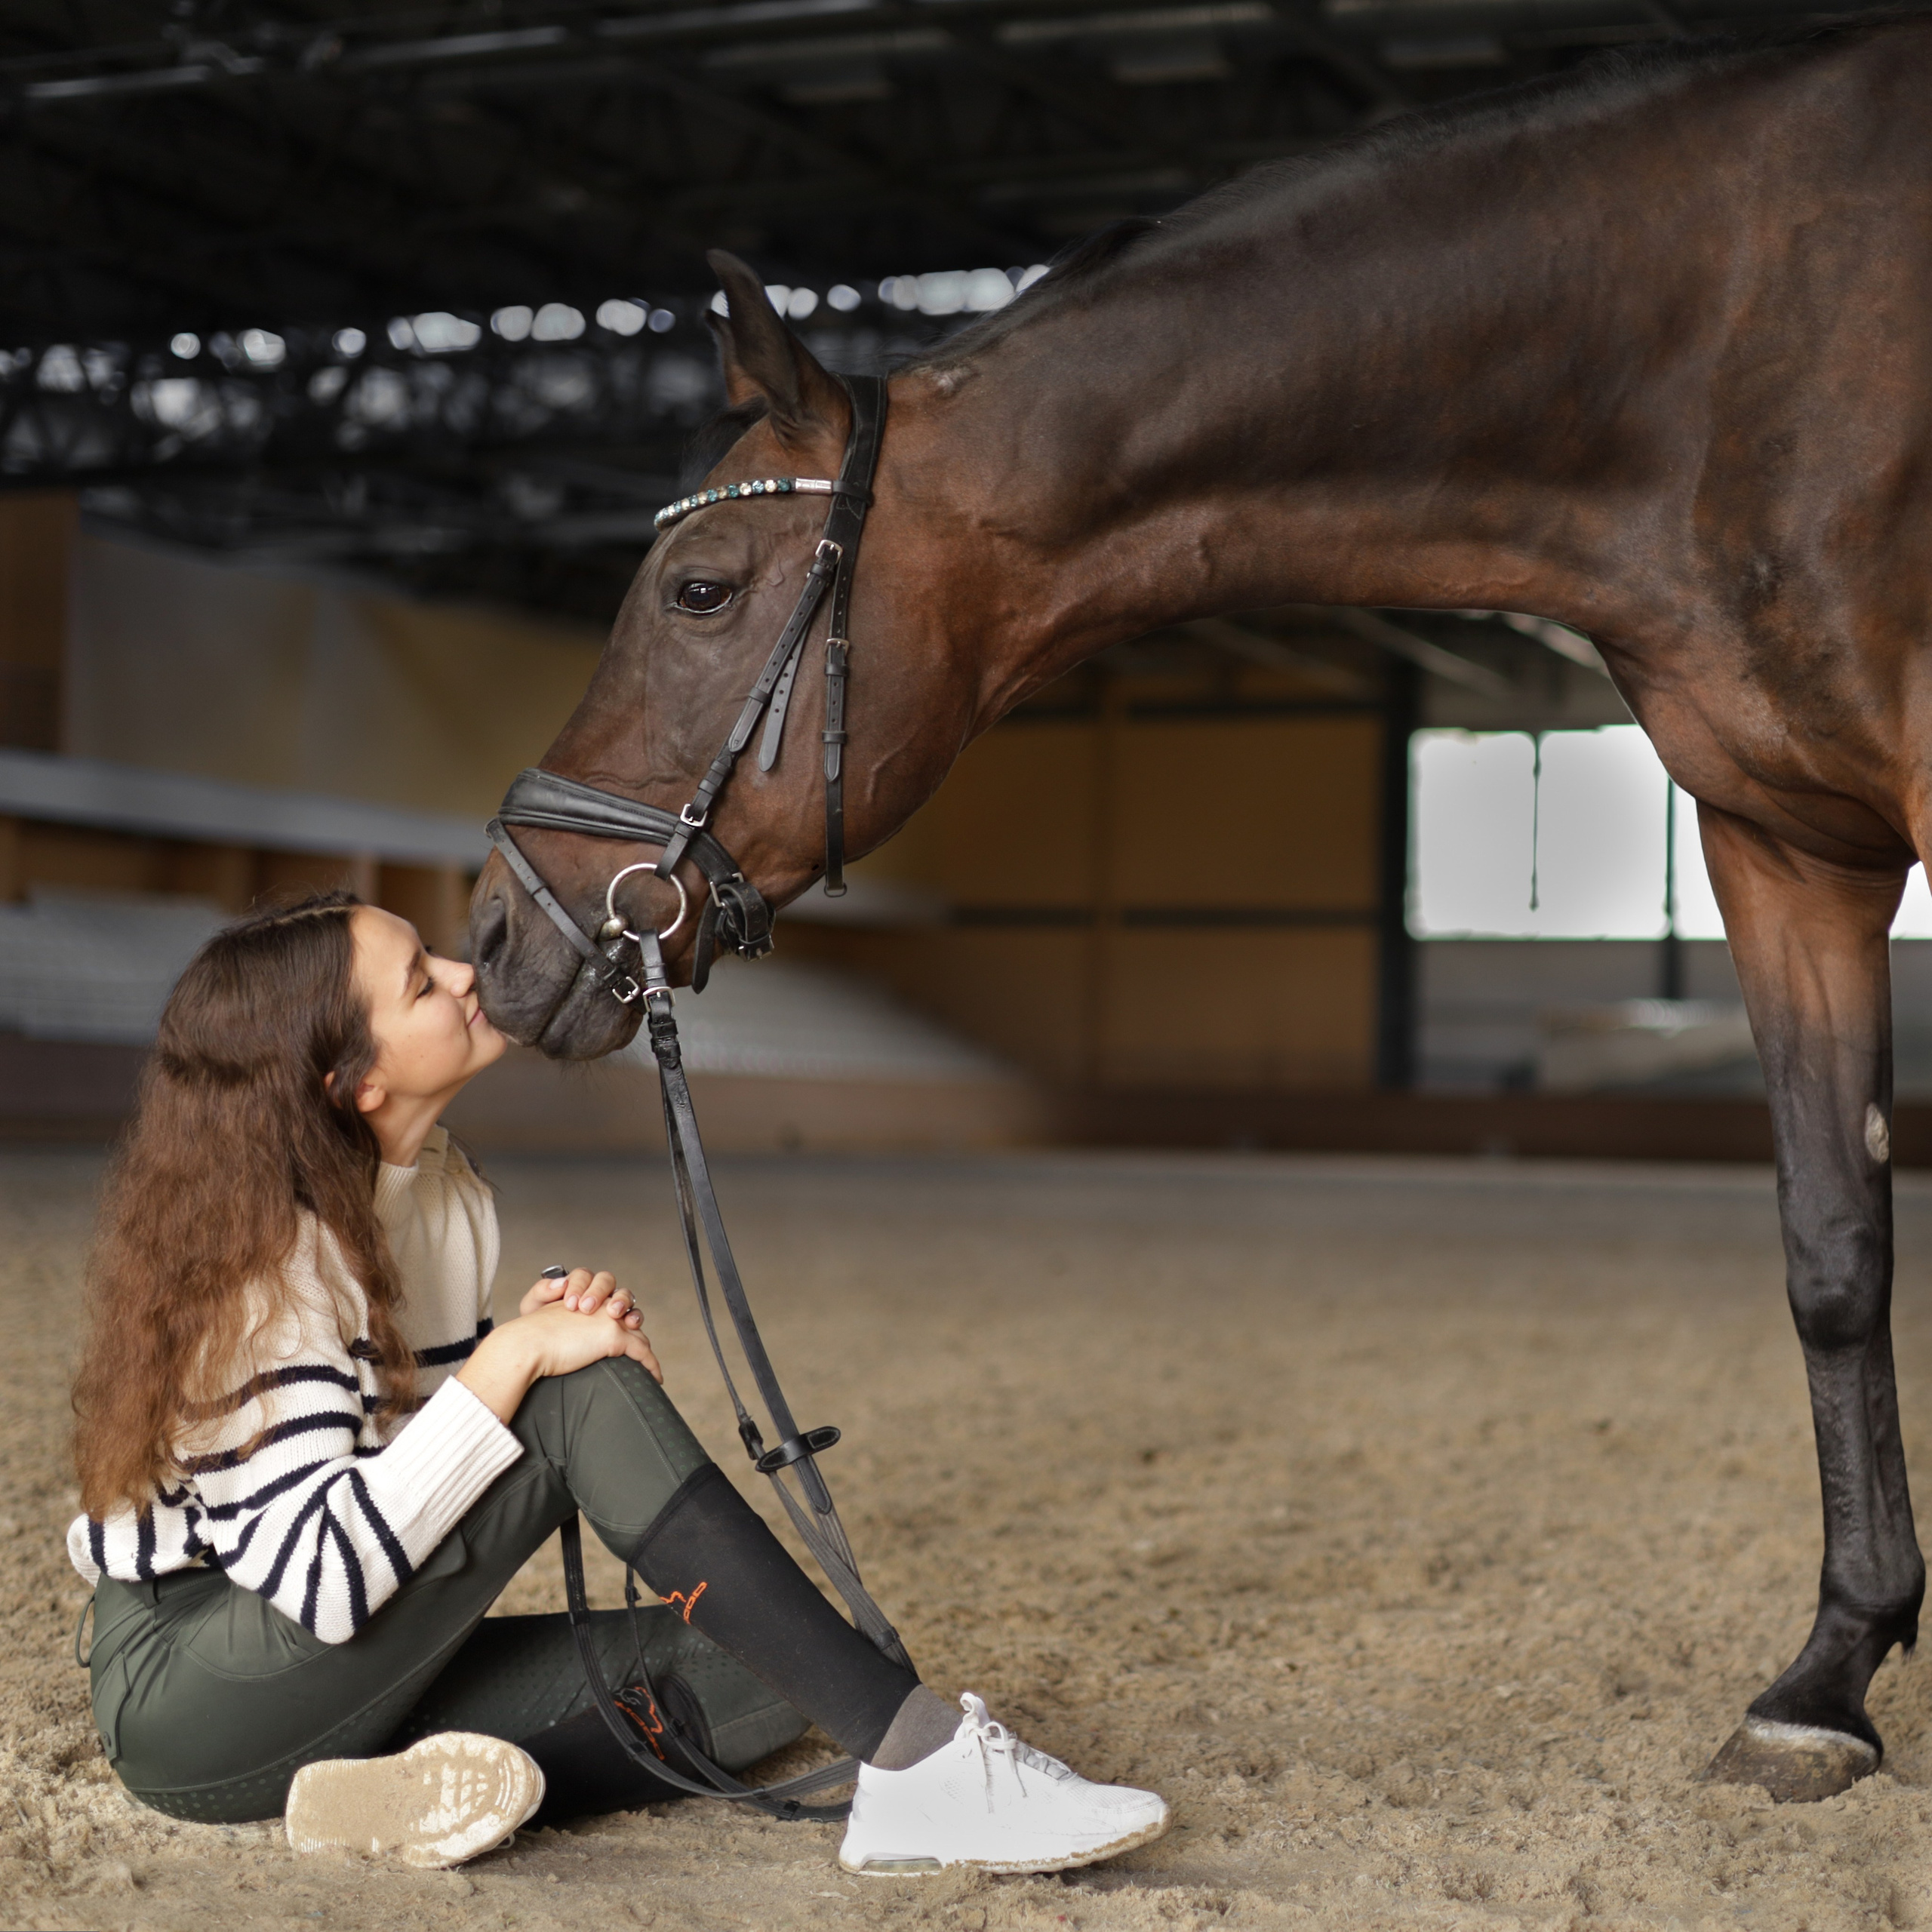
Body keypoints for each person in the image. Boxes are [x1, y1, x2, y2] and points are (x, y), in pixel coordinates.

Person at [66, 891, 1168, 1876]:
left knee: (772, 1671)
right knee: (571, 1397)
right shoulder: (265, 1265)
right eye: (422, 981)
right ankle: (926, 1770)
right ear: (352, 1079)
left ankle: (360, 1800)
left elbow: (399, 1429)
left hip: (324, 1674)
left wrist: (531, 1333)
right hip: (196, 1687)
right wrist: (519, 1364)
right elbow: (317, 1577)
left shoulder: (437, 1191)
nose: (463, 975)